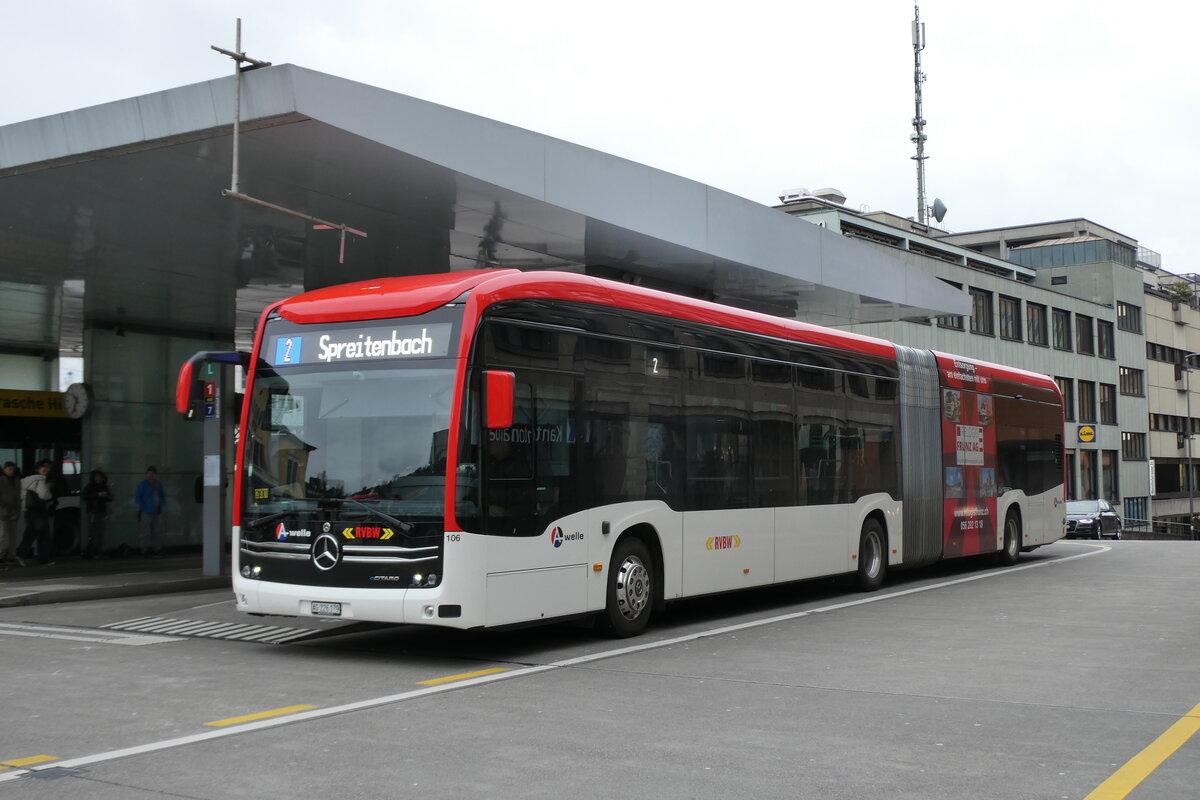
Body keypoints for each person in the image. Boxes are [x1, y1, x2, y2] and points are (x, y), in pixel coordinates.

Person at [19, 460, 55, 565]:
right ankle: (43, 558)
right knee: (43, 534)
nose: (47, 470)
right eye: (44, 468)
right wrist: (49, 492)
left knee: (31, 533)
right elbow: (44, 495)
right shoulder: (40, 479)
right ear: (38, 469)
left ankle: (20, 554)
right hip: (38, 510)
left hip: (28, 510)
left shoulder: (26, 480)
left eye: (48, 468)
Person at [134, 466, 167, 556]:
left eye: (152, 474)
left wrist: (162, 505)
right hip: (146, 511)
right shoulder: (143, 484)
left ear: (155, 475)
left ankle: (155, 549)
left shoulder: (158, 484)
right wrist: (144, 507)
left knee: (156, 531)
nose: (151, 475)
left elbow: (162, 495)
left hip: (156, 511)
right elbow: (137, 497)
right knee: (146, 532)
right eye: (149, 474)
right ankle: (145, 549)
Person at [82, 469, 113, 558]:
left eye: (100, 477)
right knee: (93, 532)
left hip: (101, 511)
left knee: (101, 532)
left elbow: (110, 498)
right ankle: (93, 550)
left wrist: (105, 495)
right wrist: (97, 495)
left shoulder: (104, 487)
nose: (98, 479)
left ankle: (100, 550)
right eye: (97, 477)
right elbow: (85, 496)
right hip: (92, 511)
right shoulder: (90, 486)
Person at [0, 462, 23, 566]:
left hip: (13, 512)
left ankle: (11, 554)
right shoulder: (1, 480)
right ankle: (1, 554)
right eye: (9, 469)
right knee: (3, 535)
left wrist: (18, 511)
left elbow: (18, 497)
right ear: (4, 470)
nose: (11, 471)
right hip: (3, 512)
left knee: (13, 535)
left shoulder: (17, 481)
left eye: (13, 469)